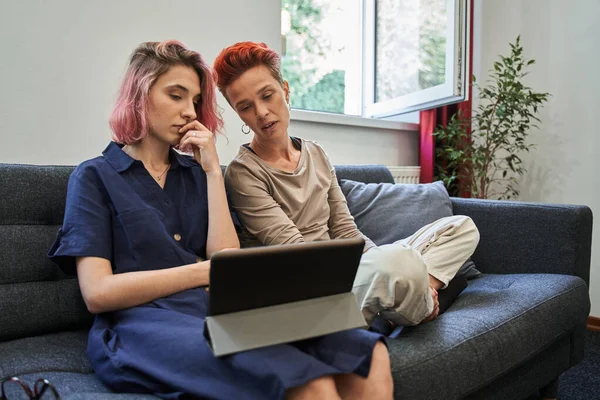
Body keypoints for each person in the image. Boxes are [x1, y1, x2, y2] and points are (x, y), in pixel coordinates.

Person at [48, 40, 392, 400]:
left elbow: (224, 255)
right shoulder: (94, 177)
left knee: (367, 352)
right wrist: (201, 272)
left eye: (195, 101)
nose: (188, 111)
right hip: (142, 324)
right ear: (140, 94)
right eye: (176, 95)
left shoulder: (197, 174)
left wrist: (213, 170)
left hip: (217, 311)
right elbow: (98, 293)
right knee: (308, 383)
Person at [214, 41, 480, 328]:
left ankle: (414, 293)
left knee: (462, 227)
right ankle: (409, 302)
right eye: (246, 107)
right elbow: (295, 252)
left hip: (347, 269)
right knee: (398, 261)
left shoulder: (315, 152)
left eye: (267, 95)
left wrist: (381, 261)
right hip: (308, 284)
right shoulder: (243, 172)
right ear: (238, 114)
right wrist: (386, 265)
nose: (262, 112)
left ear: (285, 90)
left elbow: (345, 230)